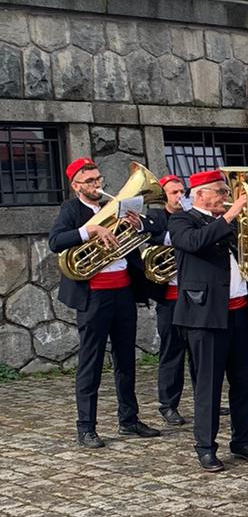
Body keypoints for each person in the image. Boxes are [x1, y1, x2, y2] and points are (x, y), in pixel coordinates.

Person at [48, 156, 161, 449]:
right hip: (94, 296)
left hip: (123, 292)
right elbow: (55, 241)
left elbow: (144, 236)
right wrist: (91, 230)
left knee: (126, 359)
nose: (96, 185)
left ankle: (129, 419)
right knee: (91, 362)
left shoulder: (118, 206)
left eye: (98, 179)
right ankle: (86, 427)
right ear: (76, 186)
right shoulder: (71, 209)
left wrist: (138, 225)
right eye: (89, 181)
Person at [169, 170, 248, 473]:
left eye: (226, 192)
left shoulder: (227, 220)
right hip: (206, 314)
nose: (226, 197)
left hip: (240, 311)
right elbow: (194, 242)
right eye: (221, 192)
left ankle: (242, 440)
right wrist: (231, 214)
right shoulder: (182, 220)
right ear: (200, 194)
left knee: (244, 382)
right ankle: (205, 447)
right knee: (209, 385)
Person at [145, 173, 192, 426]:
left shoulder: (193, 215)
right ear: (164, 196)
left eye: (182, 191)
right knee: (172, 351)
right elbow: (147, 236)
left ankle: (206, 398)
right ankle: (168, 404)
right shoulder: (156, 216)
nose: (180, 196)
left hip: (194, 294)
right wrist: (180, 238)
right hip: (170, 296)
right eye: (174, 192)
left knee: (200, 352)